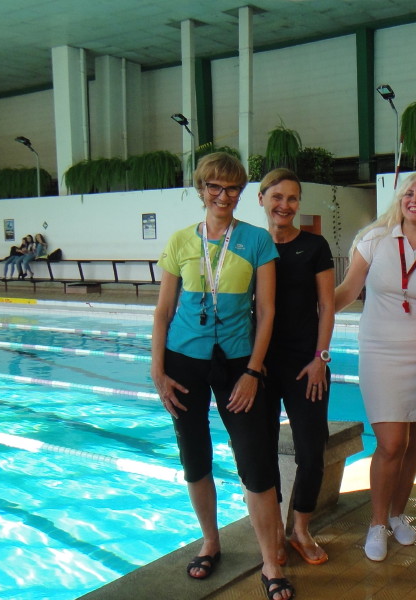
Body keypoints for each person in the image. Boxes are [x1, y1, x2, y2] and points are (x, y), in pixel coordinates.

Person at [150, 152, 293, 600]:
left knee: (256, 462)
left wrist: (252, 370)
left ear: (241, 192)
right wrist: (157, 370)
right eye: (214, 186)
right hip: (183, 359)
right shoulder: (179, 242)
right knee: (195, 458)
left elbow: (267, 311)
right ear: (201, 190)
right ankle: (210, 542)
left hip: (238, 362)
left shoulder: (256, 241)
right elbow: (163, 311)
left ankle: (270, 562)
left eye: (232, 188)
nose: (223, 195)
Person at [333, 172, 416, 562]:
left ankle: (399, 514)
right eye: (409, 193)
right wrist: (315, 312)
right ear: (399, 199)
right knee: (391, 443)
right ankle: (377, 523)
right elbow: (348, 290)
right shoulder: (375, 239)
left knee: (413, 440)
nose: (415, 200)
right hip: (381, 353)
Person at [258, 168, 335, 566]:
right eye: (277, 197)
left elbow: (327, 306)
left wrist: (321, 358)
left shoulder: (314, 245)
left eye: (292, 198)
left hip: (306, 364)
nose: (284, 205)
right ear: (262, 200)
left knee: (311, 448)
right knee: (262, 450)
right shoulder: (252, 246)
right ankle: (273, 530)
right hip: (260, 366)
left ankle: (301, 529)